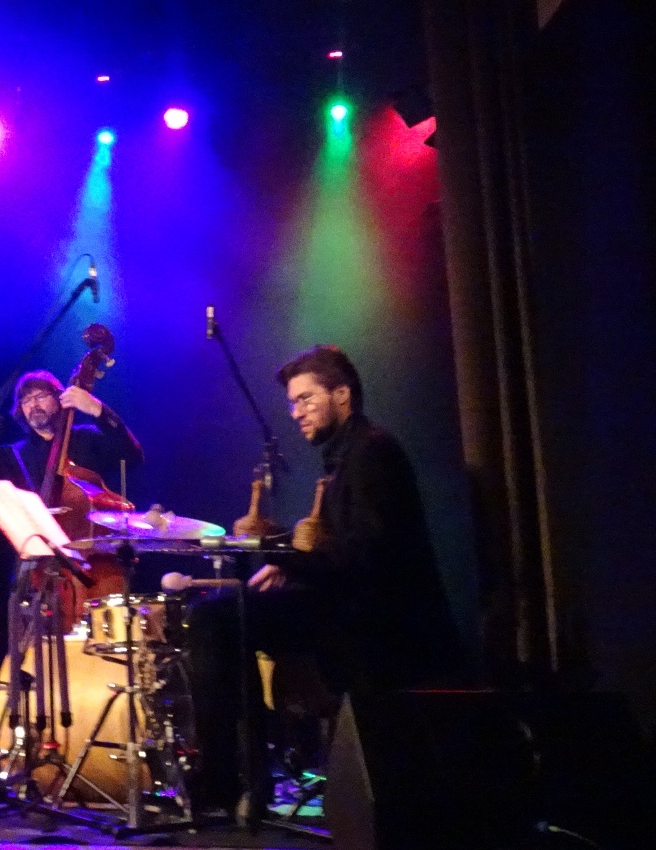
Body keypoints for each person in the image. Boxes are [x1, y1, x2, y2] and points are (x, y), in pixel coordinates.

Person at [184, 345, 464, 810]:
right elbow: (340, 548)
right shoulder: (350, 454)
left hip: (372, 620)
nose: (296, 413)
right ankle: (243, 774)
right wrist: (284, 553)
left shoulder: (372, 452)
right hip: (346, 605)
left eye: (306, 399)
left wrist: (280, 555)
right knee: (223, 617)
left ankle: (226, 777)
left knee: (215, 620)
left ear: (342, 394)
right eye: (292, 403)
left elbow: (365, 558)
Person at [11, 369, 143, 497]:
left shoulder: (87, 438)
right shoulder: (17, 455)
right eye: (26, 400)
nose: (33, 404)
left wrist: (98, 409)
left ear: (59, 398)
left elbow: (133, 456)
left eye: (40, 397)